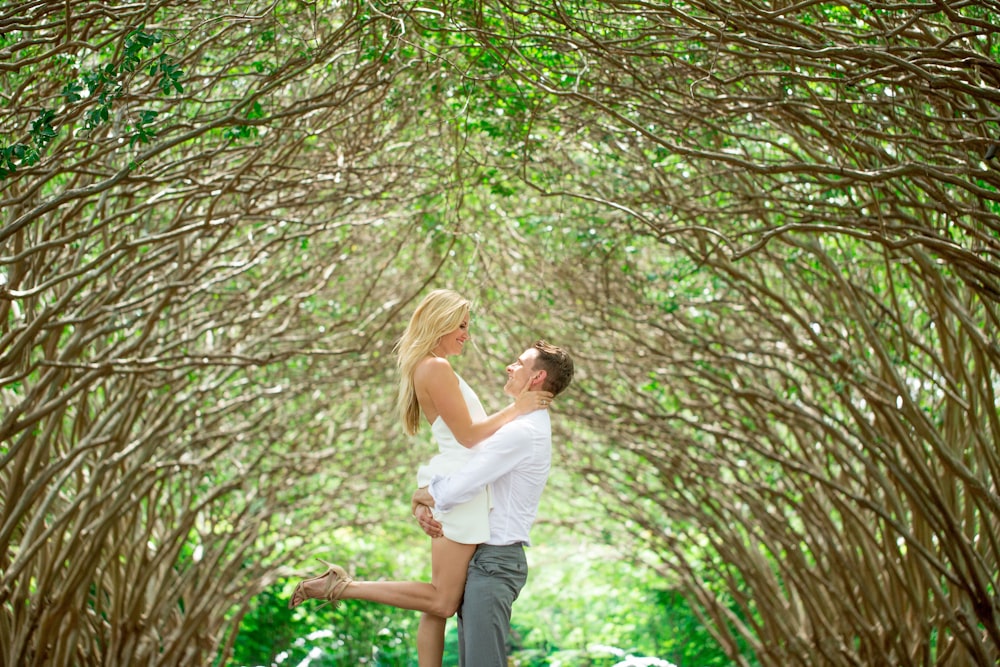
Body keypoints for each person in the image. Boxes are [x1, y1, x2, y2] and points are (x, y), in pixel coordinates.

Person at [288, 289, 553, 667]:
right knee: (441, 599)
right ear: (439, 323)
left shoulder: (428, 367)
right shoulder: (436, 368)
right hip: (462, 487)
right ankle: (342, 587)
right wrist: (518, 407)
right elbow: (470, 437)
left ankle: (346, 591)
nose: (466, 334)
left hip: (455, 480)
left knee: (437, 601)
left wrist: (425, 495)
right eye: (460, 325)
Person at [412, 339, 574, 666]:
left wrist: (421, 496)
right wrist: (424, 502)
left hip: (495, 562)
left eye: (518, 363)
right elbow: (462, 470)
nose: (509, 367)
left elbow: (464, 483)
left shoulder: (523, 431)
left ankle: (343, 587)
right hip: (486, 560)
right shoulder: (518, 424)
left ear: (537, 377)